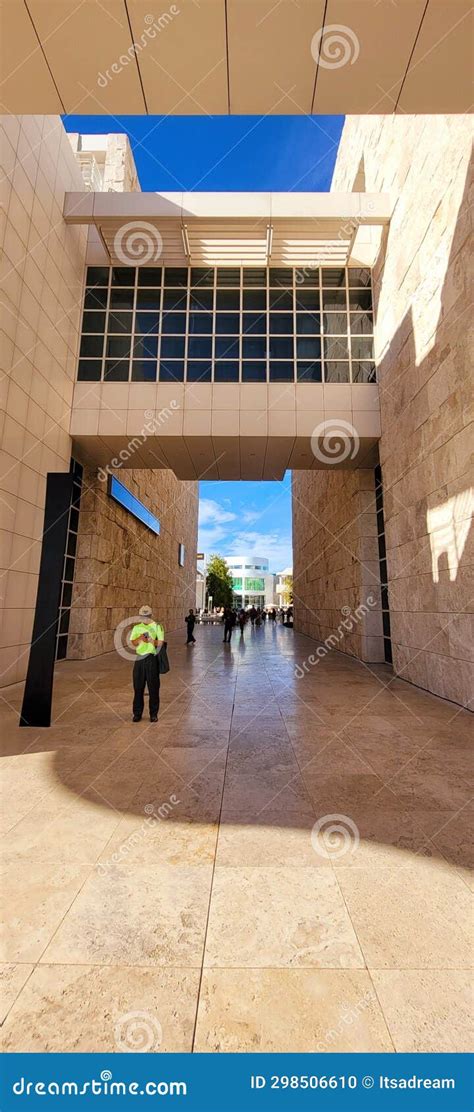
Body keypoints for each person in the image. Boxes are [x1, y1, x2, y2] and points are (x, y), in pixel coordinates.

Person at [130, 605, 164, 722]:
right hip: (139, 659)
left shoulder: (157, 626)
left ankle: (153, 714)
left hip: (151, 658)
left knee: (153, 687)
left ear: (150, 616)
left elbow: (160, 643)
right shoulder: (136, 628)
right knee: (138, 687)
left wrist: (150, 640)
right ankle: (137, 713)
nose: (145, 619)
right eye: (143, 617)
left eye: (147, 616)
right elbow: (133, 643)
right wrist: (140, 638)